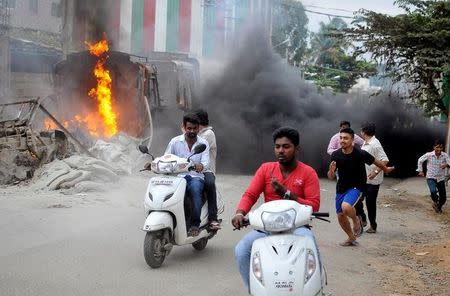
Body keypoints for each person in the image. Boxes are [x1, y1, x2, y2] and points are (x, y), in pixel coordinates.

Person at [232, 127, 320, 290]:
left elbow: (313, 206)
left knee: (311, 246)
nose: (281, 150)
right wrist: (240, 212)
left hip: (297, 226)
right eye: (277, 146)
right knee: (241, 250)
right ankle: (253, 291)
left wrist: (286, 193)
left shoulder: (308, 173)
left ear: (296, 149)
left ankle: (318, 288)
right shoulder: (266, 169)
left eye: (286, 147)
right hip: (267, 227)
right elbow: (250, 194)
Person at [327, 127, 394, 246]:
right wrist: (331, 171)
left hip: (357, 187)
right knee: (340, 216)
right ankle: (351, 238)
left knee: (346, 207)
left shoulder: (360, 153)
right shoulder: (335, 155)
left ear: (352, 140)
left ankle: (356, 220)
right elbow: (331, 177)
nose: (342, 140)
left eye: (346, 138)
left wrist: (385, 169)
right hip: (341, 188)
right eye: (341, 138)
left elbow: (377, 162)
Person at [165, 113, 209, 237]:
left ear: (199, 128)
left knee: (196, 190)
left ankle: (195, 224)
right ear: (184, 127)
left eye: (195, 128)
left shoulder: (203, 143)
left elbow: (206, 162)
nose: (192, 131)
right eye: (189, 128)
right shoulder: (175, 142)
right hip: (178, 178)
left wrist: (201, 166)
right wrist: (153, 163)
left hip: (195, 177)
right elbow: (166, 157)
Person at [360, 122, 389, 233]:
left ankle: (373, 226)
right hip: (363, 178)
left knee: (370, 204)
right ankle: (363, 219)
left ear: (364, 132)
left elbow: (385, 160)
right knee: (357, 201)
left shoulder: (375, 144)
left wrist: (375, 172)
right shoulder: (366, 142)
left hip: (373, 181)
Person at [195, 109, 220, 229]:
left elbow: (198, 149)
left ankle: (213, 218)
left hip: (206, 170)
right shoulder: (194, 134)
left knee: (210, 184)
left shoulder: (208, 134)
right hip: (191, 169)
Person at [417, 140, 450, 213]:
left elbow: (449, 162)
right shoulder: (429, 155)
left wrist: (446, 165)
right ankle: (435, 201)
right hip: (430, 177)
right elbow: (420, 160)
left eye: (441, 147)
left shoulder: (445, 155)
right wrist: (420, 170)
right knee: (433, 191)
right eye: (437, 147)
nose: (439, 149)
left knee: (443, 198)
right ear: (434, 147)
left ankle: (438, 206)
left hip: (440, 178)